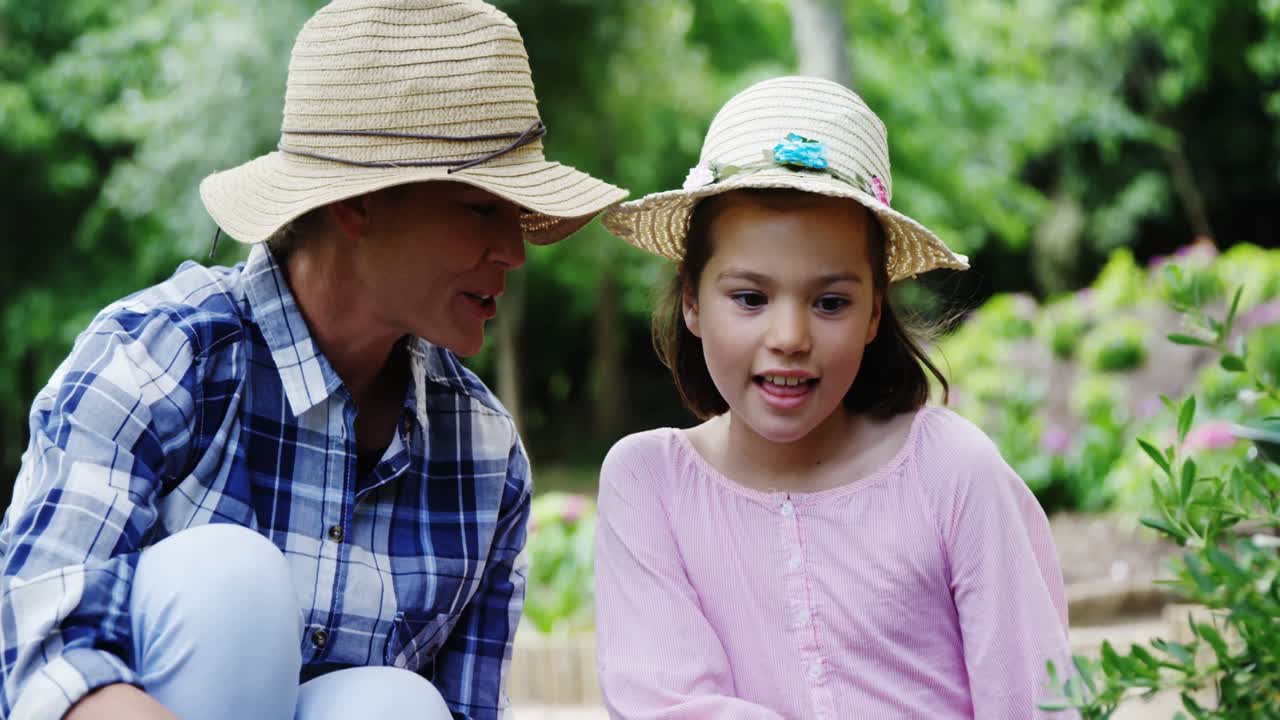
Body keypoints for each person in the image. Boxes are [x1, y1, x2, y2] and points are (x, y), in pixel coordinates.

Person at [0, 1, 626, 719]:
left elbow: (467, 708)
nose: (515, 251)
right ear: (358, 204)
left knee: (397, 706)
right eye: (483, 208)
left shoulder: (486, 454)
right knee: (226, 581)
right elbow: (44, 650)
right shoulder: (159, 355)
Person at [594, 76, 1072, 718]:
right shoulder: (650, 482)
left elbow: (1035, 700)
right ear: (690, 302)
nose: (789, 337)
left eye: (830, 302)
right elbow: (667, 704)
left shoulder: (954, 472)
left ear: (875, 313)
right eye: (750, 298)